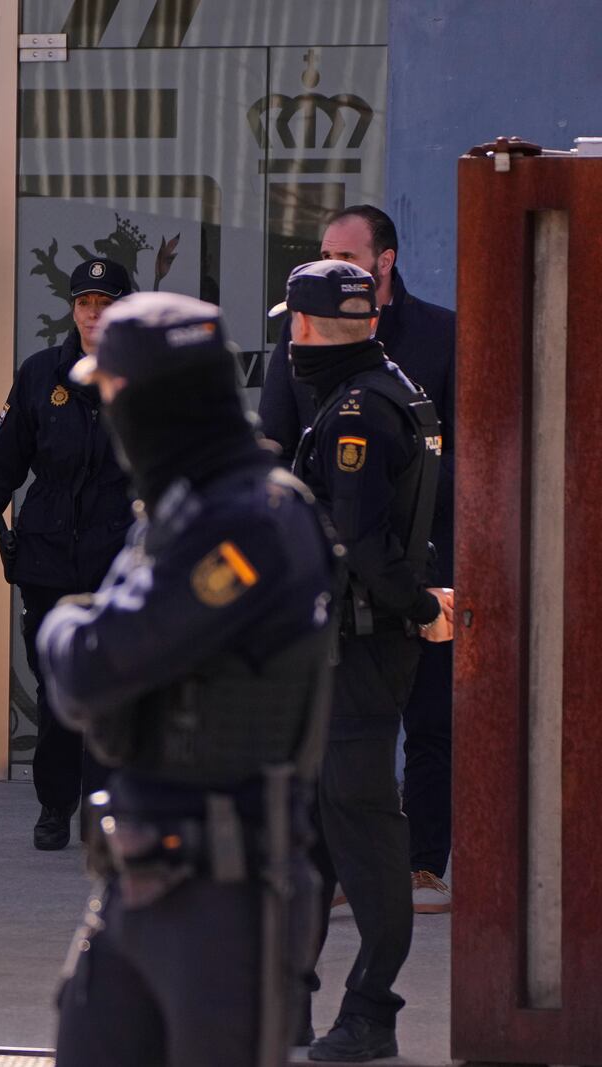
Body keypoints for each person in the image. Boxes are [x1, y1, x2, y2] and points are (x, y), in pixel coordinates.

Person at [37, 292, 339, 1067]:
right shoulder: (176, 507)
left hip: (224, 898)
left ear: (156, 400)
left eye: (114, 395)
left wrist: (65, 621)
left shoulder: (252, 522)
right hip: (135, 880)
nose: (108, 415)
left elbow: (95, 661)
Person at [278, 259, 453, 1062]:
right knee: (315, 828)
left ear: (306, 327)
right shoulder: (393, 389)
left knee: (364, 829)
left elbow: (364, 545)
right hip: (348, 645)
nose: (289, 337)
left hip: (358, 647)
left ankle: (372, 1012)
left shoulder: (356, 411)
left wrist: (422, 609)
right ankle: (288, 1005)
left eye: (292, 323)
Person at [259, 206, 458, 914]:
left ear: (386, 261)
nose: (333, 265)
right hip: (332, 580)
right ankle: (339, 868)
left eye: (348, 253)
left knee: (432, 720)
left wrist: (411, 497)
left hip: (421, 556)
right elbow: (274, 443)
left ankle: (425, 864)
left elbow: (467, 449)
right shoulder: (300, 338)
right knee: (342, 738)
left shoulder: (439, 335)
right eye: (325, 252)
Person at [0, 258, 134, 850]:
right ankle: (56, 802)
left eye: (105, 302)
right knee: (57, 692)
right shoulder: (40, 374)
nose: (93, 314)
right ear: (72, 309)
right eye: (84, 303)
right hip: (48, 559)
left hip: (120, 559)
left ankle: (103, 813)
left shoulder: (151, 378)